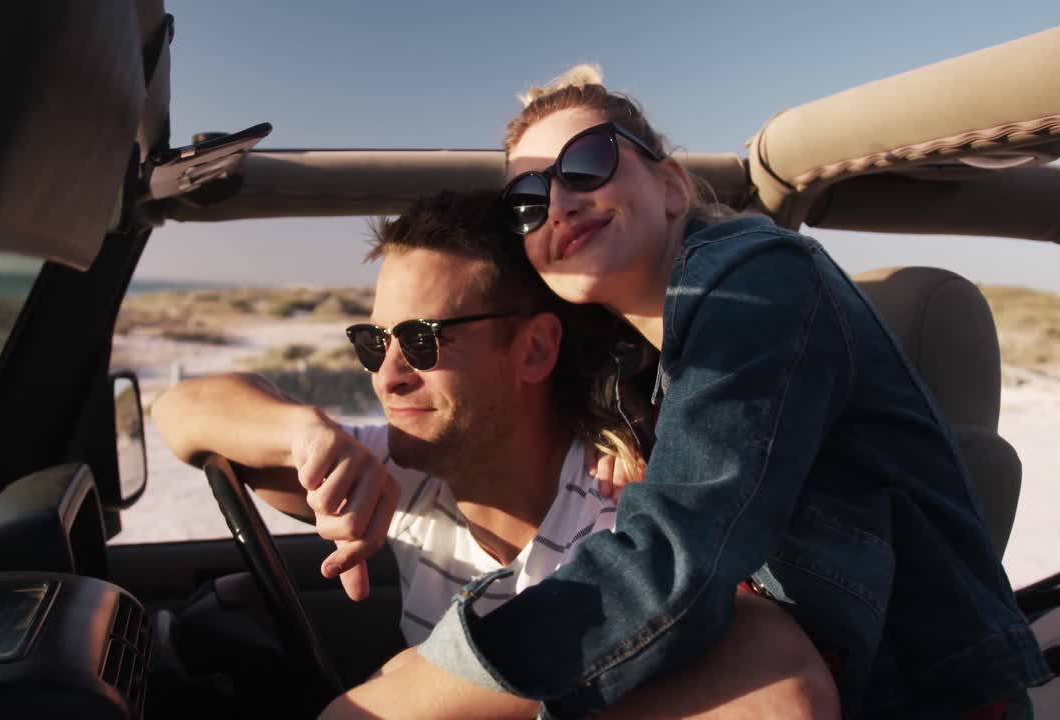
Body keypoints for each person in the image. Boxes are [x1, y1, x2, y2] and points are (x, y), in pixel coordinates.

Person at [402, 67, 1051, 719]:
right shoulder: (631, 373)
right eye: (526, 200)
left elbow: (676, 562)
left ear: (672, 186)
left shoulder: (758, 279)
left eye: (588, 162)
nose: (559, 204)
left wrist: (425, 687)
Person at [152, 191, 840, 718]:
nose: (387, 376)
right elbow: (180, 411)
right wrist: (304, 433)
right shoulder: (404, 475)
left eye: (421, 340)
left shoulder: (627, 516)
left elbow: (780, 688)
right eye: (373, 342)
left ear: (535, 350)